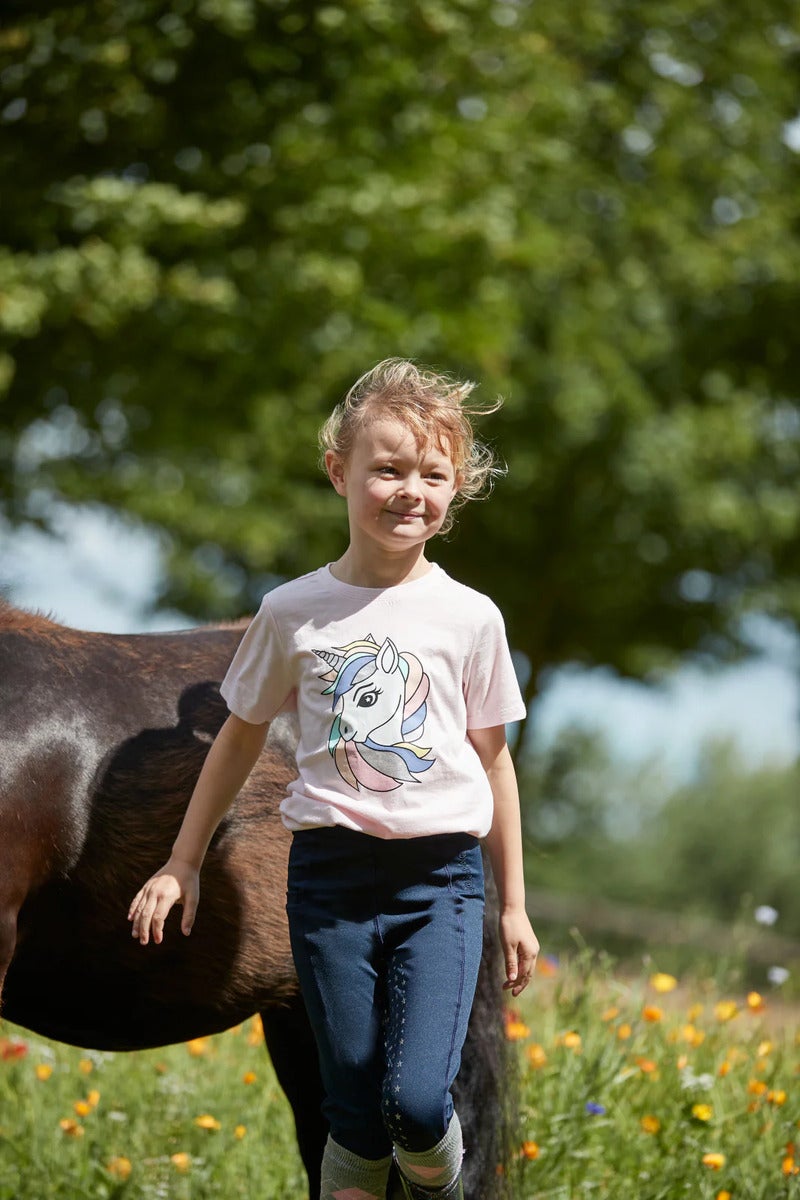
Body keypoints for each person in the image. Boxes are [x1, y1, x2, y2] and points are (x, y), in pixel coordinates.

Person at [128, 358, 539, 1200]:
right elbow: (239, 738)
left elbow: (494, 762)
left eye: (433, 475)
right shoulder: (291, 611)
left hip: (440, 885)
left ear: (457, 488)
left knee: (415, 1105)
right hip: (328, 883)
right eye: (387, 469)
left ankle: (438, 1190)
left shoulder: (472, 618)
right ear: (338, 472)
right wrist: (182, 861)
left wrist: (515, 907)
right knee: (351, 1112)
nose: (410, 491)